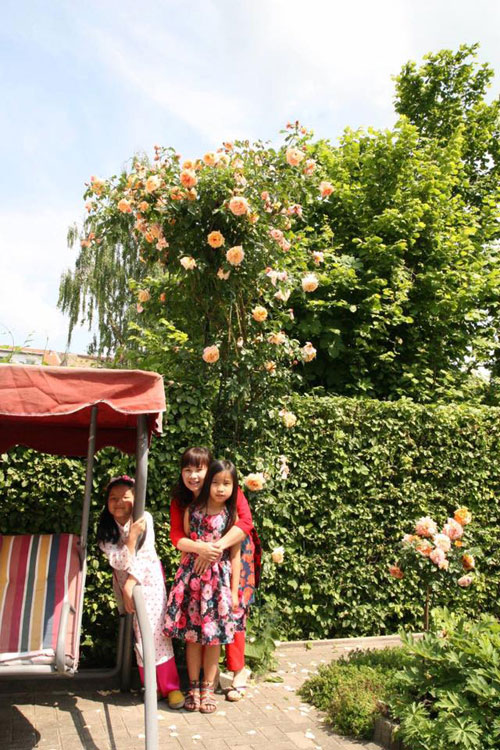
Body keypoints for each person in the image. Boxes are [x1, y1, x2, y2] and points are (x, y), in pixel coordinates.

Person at [169, 447, 260, 701]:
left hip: (233, 553)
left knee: (234, 611)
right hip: (199, 559)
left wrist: (214, 548)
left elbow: (245, 522)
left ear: (210, 472)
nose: (193, 476)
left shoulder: (228, 489)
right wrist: (200, 548)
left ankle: (238, 671)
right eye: (188, 470)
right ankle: (205, 679)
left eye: (200, 470)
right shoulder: (182, 501)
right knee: (201, 620)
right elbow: (177, 535)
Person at [96, 475, 184, 709]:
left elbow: (146, 556)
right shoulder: (106, 530)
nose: (119, 503)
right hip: (126, 588)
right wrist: (131, 539)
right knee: (139, 636)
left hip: (148, 582)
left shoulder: (145, 518)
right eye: (113, 498)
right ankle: (152, 687)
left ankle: (171, 687)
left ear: (136, 499)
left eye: (125, 497)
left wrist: (130, 584)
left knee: (156, 633)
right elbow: (118, 561)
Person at [163, 459, 242, 713]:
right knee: (193, 637)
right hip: (194, 583)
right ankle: (193, 687)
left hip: (218, 586)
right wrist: (182, 582)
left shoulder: (231, 515)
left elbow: (236, 556)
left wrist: (234, 591)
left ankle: (208, 688)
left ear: (234, 487)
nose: (220, 488)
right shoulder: (192, 510)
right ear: (208, 483)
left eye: (226, 484)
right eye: (216, 483)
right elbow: (185, 543)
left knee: (213, 639)